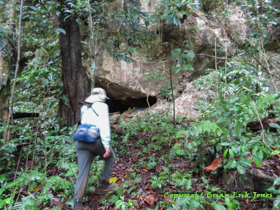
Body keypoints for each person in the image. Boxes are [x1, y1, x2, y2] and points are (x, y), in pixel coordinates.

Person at [74, 88, 115, 210]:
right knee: (111, 156)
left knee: (83, 171)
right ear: (102, 97)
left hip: (81, 141)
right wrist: (106, 145)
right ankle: (103, 185)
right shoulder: (102, 106)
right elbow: (103, 125)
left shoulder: (84, 108)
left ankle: (77, 204)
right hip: (95, 139)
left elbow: (83, 123)